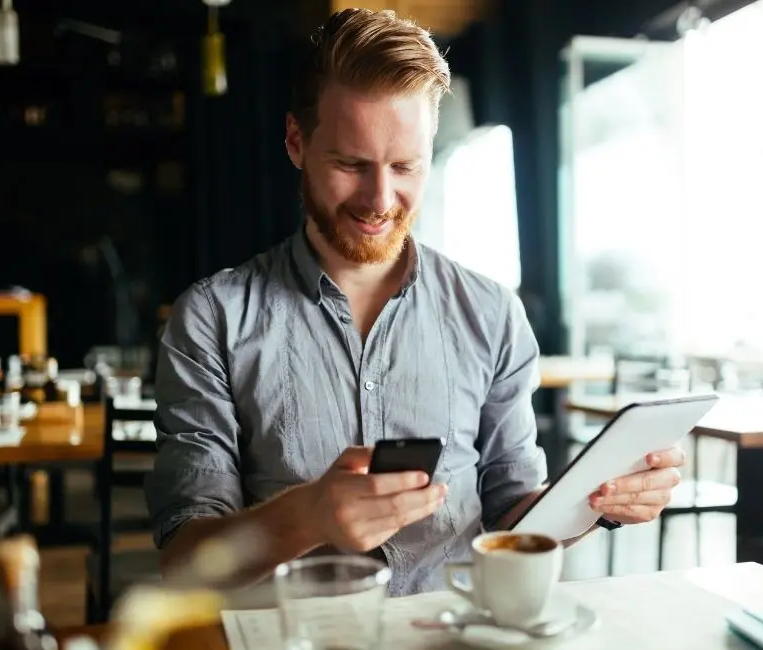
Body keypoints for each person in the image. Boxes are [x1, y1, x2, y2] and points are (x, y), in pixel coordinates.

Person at [145, 7, 685, 596]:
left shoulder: (493, 314)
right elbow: (185, 564)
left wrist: (595, 500)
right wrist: (307, 516)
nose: (381, 199)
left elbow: (512, 516)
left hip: (456, 633)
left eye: (406, 166)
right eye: (351, 164)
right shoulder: (212, 319)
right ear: (297, 142)